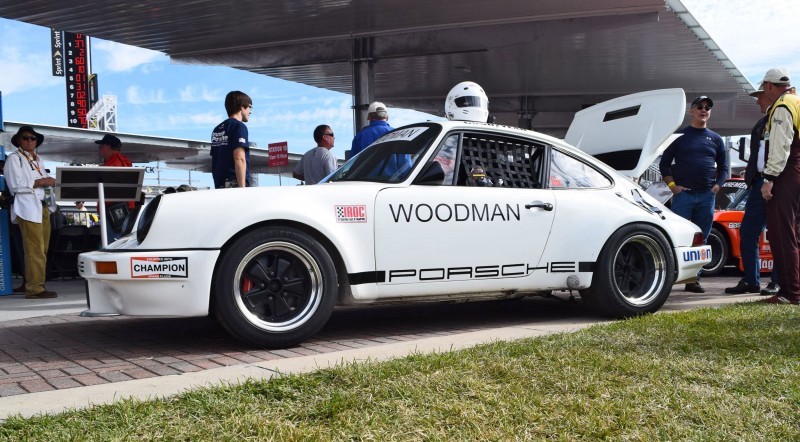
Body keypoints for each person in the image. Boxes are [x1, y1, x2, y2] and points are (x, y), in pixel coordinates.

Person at [659, 95, 729, 293]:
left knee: (701, 239)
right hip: (684, 197)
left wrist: (717, 186)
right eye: (700, 106)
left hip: (707, 196)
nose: (704, 110)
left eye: (707, 107)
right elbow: (664, 165)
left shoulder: (715, 139)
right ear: (692, 111)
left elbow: (724, 167)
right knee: (676, 238)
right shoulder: (679, 137)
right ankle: (671, 279)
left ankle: (693, 280)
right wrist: (673, 187)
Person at [725, 86, 780, 295]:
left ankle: (778, 281)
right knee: (748, 232)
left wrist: (772, 178)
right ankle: (751, 281)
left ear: (771, 94)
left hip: (778, 184)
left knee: (778, 234)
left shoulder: (784, 117)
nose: (757, 101)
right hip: (758, 183)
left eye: (760, 97)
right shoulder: (761, 123)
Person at [758, 68, 800, 305]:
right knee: (794, 234)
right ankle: (792, 290)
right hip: (796, 171)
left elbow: (780, 147)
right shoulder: (796, 101)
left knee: (782, 234)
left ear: (769, 86)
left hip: (786, 173)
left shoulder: (782, 106)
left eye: (764, 87)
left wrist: (769, 178)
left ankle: (791, 293)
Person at [3, 126, 57, 299]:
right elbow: (15, 185)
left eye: (33, 138)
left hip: (43, 206)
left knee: (42, 249)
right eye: (25, 138)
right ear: (19, 140)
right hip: (28, 208)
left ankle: (33, 284)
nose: (29, 141)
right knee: (35, 250)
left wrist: (48, 183)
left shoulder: (38, 159)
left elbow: (42, 183)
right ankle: (35, 288)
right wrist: (42, 181)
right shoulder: (14, 158)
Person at [211, 91, 252, 189]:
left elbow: (215, 158)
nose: (250, 111)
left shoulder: (217, 129)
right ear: (241, 107)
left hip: (219, 184)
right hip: (235, 183)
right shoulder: (239, 127)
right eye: (249, 107)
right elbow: (239, 158)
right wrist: (242, 188)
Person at [96, 134, 134, 241]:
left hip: (113, 209)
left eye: (101, 147)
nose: (100, 150)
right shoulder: (124, 161)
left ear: (108, 147)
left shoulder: (114, 162)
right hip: (123, 207)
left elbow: (107, 185)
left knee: (113, 243)